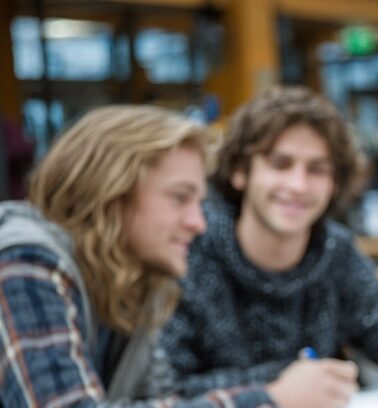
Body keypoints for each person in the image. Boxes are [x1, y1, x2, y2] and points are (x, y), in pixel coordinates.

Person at [0, 105, 351, 407]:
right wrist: (270, 397)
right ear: (110, 193)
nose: (198, 223)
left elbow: (162, 399)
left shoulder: (136, 280)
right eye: (180, 197)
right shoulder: (26, 259)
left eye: (199, 202)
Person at [159, 87, 378, 401]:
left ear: (334, 184)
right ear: (240, 171)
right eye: (280, 164)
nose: (298, 185)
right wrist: (275, 393)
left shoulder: (334, 252)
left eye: (316, 169)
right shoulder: (189, 246)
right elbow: (162, 393)